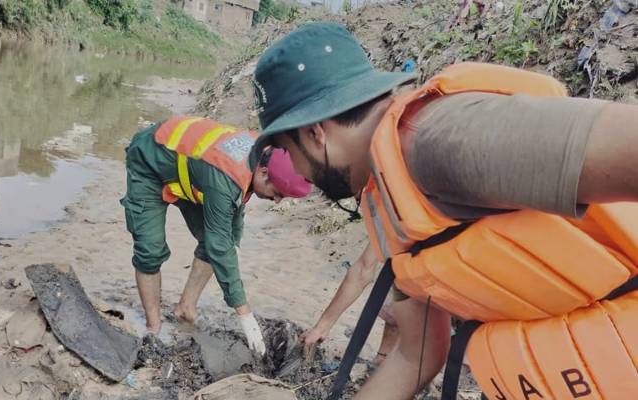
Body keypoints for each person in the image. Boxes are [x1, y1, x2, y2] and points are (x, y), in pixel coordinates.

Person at [247, 21, 638, 399]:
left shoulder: (447, 139)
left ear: (315, 132)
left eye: (286, 149)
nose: (295, 171)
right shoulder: (391, 203)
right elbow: (416, 355)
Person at [121, 116, 311, 356]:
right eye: (277, 193)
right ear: (264, 172)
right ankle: (154, 327)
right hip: (151, 158)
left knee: (221, 243)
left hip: (192, 171)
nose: (276, 200)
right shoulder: (226, 176)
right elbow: (219, 244)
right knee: (150, 249)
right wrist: (244, 314)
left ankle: (185, 309)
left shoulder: (260, 154)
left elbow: (234, 216)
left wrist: (234, 246)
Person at [301, 243, 399, 366]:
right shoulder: (389, 226)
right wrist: (321, 327)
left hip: (426, 292)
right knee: (393, 303)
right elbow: (362, 270)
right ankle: (383, 359)